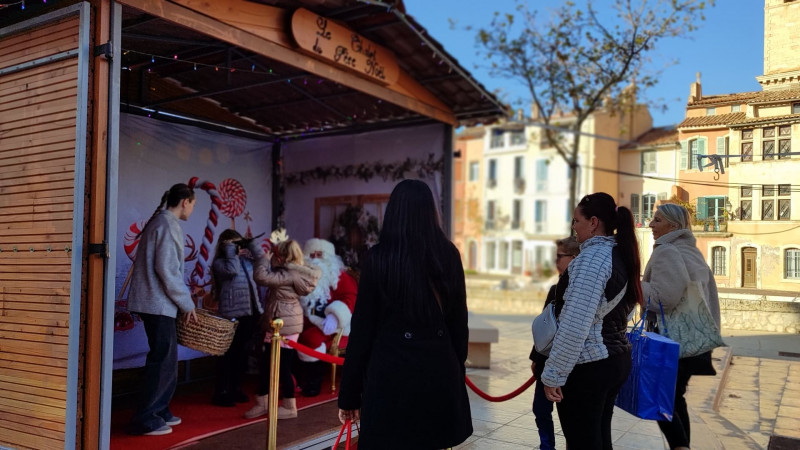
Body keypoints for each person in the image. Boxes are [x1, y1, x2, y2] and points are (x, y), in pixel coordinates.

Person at [338, 179, 473, 449]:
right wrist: (453, 367)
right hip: (437, 371)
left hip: (390, 376)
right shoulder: (448, 255)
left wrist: (350, 395)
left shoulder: (379, 258)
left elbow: (362, 330)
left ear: (393, 212)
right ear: (430, 212)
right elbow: (459, 323)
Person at [540, 192, 642, 449]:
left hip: (590, 365)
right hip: (613, 360)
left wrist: (553, 374)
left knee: (582, 442)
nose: (573, 227)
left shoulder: (592, 260)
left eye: (576, 220)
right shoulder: (620, 255)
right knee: (597, 439)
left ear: (593, 222)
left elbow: (575, 323)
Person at [642, 203, 721, 450]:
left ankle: (680, 446)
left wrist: (636, 286)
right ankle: (682, 445)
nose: (650, 225)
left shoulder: (667, 251)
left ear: (673, 226)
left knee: (657, 399)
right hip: (690, 342)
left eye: (657, 220)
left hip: (672, 342)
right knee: (675, 399)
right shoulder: (690, 251)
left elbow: (663, 297)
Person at [126, 183, 199, 436]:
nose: (192, 210)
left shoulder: (160, 222)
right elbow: (167, 270)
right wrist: (187, 303)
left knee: (165, 358)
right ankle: (146, 416)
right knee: (162, 359)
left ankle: (159, 409)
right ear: (185, 202)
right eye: (193, 204)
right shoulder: (167, 225)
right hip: (157, 303)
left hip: (156, 301)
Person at [243, 238, 321, 420]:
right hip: (282, 320)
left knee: (283, 366)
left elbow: (261, 277)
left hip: (284, 324)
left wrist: (263, 259)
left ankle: (289, 406)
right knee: (267, 364)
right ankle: (263, 401)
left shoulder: (288, 275)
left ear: (282, 257)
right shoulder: (293, 272)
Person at [529, 236, 579, 450]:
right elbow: (544, 327)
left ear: (574, 258)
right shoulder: (555, 289)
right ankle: (546, 446)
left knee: (571, 418)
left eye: (559, 257)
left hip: (570, 364)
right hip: (546, 363)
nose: (555, 262)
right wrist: (535, 358)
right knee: (540, 410)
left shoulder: (581, 291)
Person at [297, 238, 358, 397]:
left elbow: (350, 297)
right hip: (304, 319)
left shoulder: (340, 276)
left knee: (310, 339)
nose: (316, 258)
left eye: (320, 255)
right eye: (312, 254)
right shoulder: (300, 275)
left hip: (329, 323)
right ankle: (292, 380)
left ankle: (313, 383)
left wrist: (335, 315)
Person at [209, 229, 263, 407]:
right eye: (233, 244)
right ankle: (222, 391)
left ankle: (236, 387)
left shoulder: (246, 261)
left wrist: (251, 245)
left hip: (250, 311)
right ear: (224, 246)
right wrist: (230, 250)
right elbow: (232, 271)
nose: (237, 248)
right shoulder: (220, 263)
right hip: (232, 313)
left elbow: (264, 262)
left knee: (242, 353)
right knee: (228, 354)